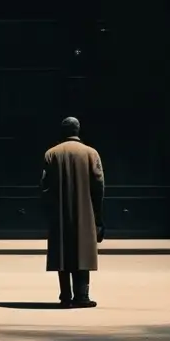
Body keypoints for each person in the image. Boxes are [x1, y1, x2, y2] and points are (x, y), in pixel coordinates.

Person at [40, 116, 106, 308]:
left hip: (59, 212)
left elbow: (44, 186)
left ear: (62, 132)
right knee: (83, 252)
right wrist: (98, 215)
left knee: (62, 253)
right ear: (78, 131)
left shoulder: (51, 154)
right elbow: (99, 185)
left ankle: (65, 296)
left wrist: (50, 210)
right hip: (85, 211)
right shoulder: (91, 153)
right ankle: (82, 296)